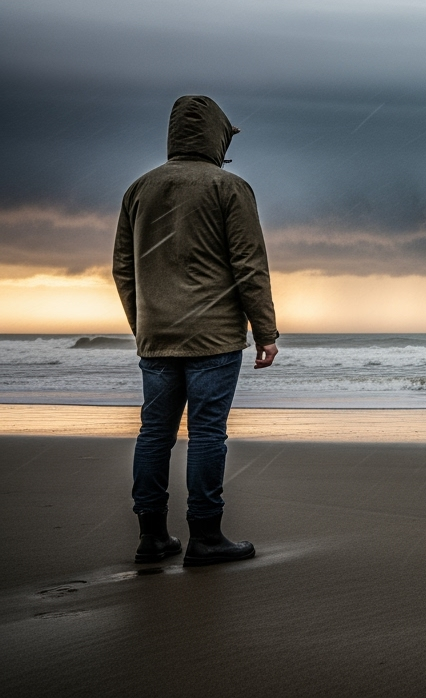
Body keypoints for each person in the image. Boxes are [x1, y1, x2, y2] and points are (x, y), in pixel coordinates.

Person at [112, 95, 279, 567]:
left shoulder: (139, 189)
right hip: (215, 337)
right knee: (207, 434)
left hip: (157, 336)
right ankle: (205, 536)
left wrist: (143, 325)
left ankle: (152, 538)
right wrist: (266, 331)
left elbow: (123, 269)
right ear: (217, 136)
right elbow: (249, 265)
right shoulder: (229, 187)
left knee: (154, 434)